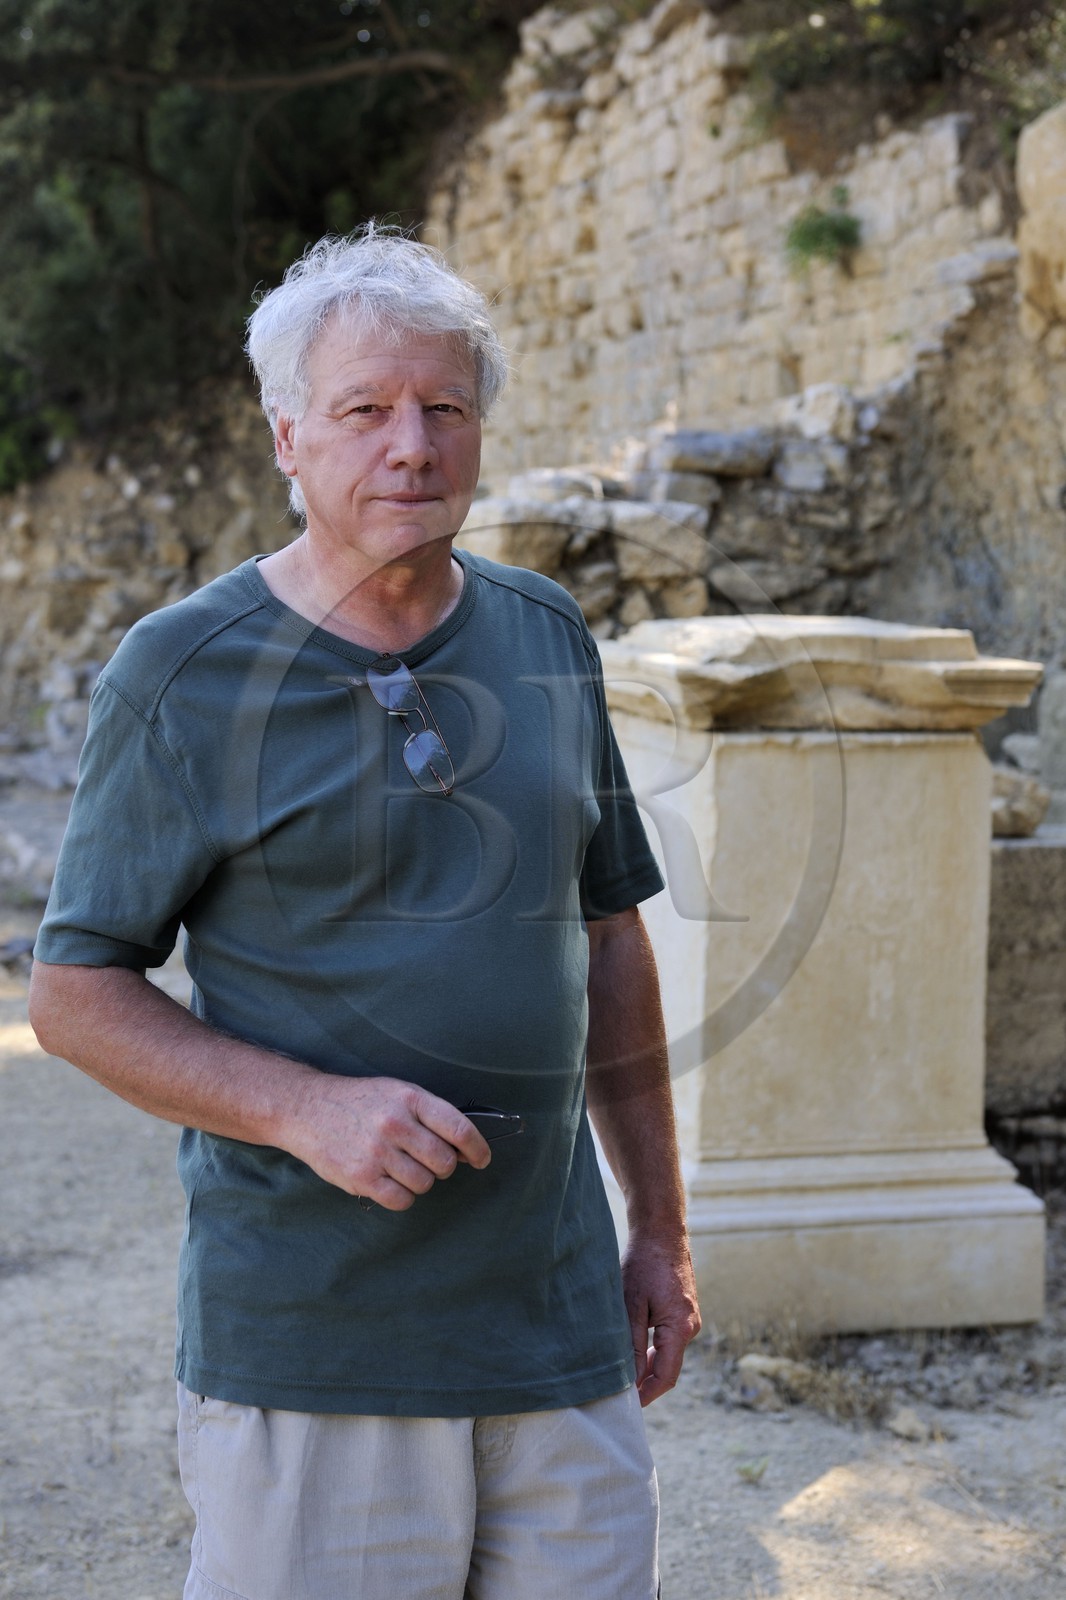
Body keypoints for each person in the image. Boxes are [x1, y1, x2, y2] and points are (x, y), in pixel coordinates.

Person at [28, 225, 701, 1600]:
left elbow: (607, 933)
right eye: (364, 411)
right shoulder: (181, 674)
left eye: (443, 408)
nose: (412, 445)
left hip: (556, 1338)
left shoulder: (544, 634)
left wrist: (659, 1230)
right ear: (289, 436)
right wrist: (303, 1109)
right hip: (315, 1355)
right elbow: (74, 992)